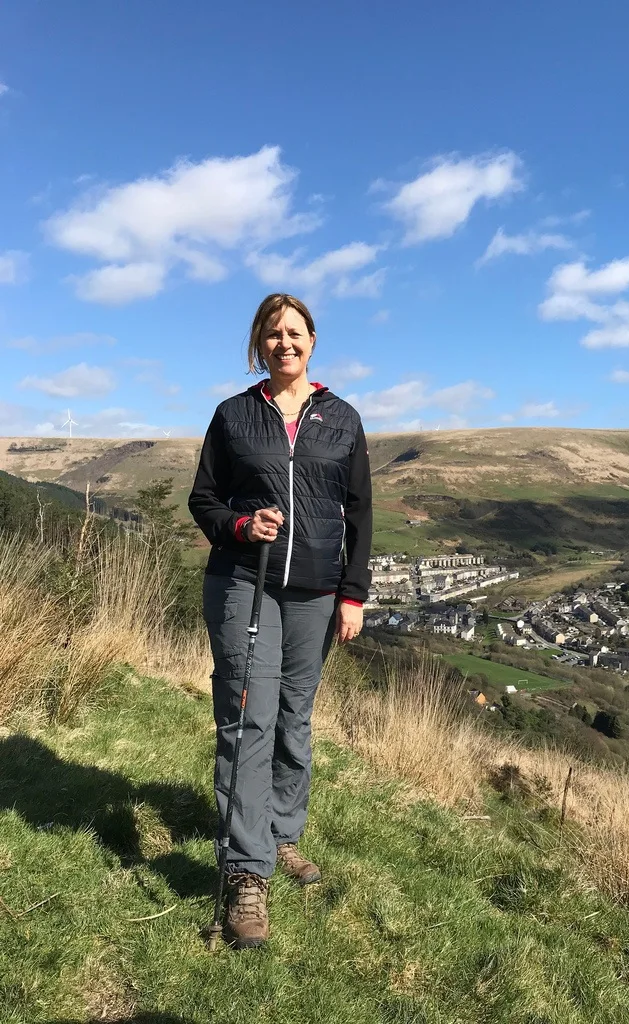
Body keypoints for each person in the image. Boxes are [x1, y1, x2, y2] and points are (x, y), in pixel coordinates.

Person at [188, 293, 372, 949]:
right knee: (249, 719)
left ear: (314, 342)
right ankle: (246, 874)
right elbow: (203, 499)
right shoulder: (234, 416)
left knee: (296, 716)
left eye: (294, 332)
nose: (284, 342)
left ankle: (283, 833)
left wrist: (353, 593)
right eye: (272, 333)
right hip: (246, 581)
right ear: (259, 346)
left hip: (317, 593)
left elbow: (359, 516)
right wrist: (241, 524)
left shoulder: (343, 421)